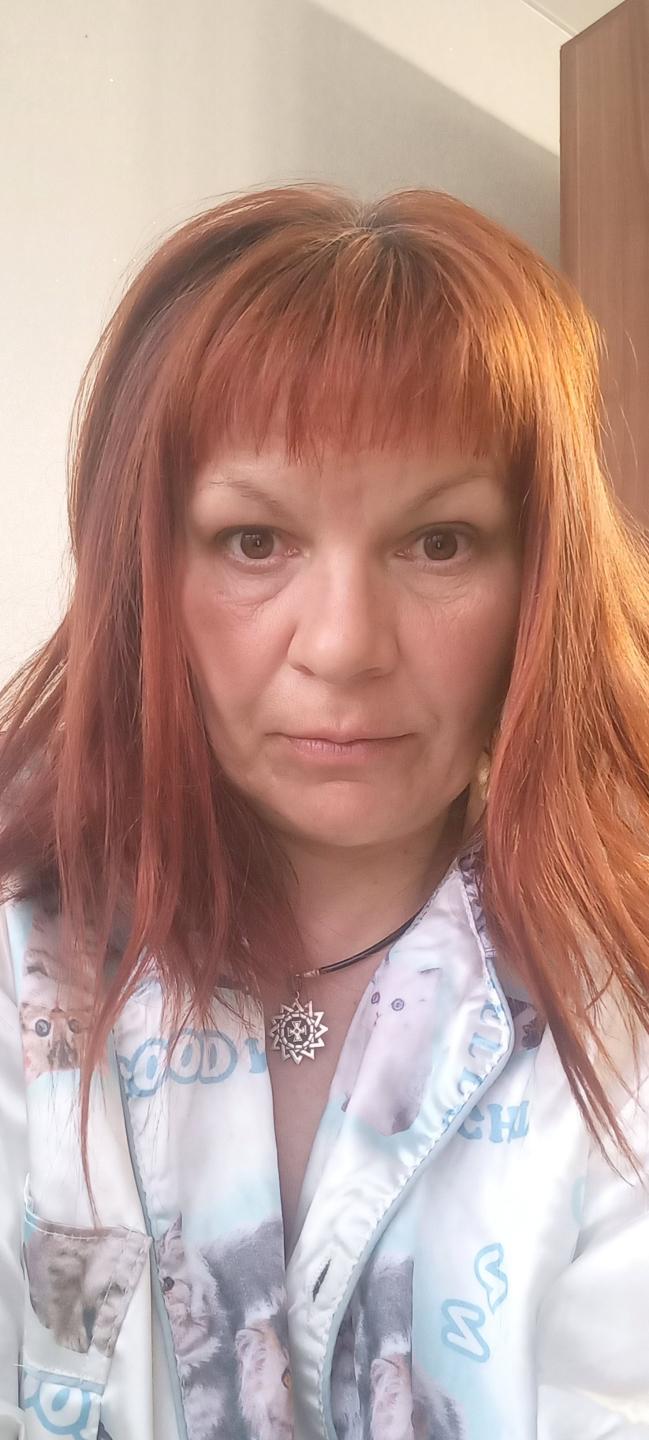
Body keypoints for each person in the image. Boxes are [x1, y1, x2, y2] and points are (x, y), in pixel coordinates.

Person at [0, 183, 648, 1440]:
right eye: (255, 541)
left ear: (540, 577)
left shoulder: (618, 1003)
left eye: (439, 543)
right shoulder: (23, 960)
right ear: (145, 570)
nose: (344, 646)